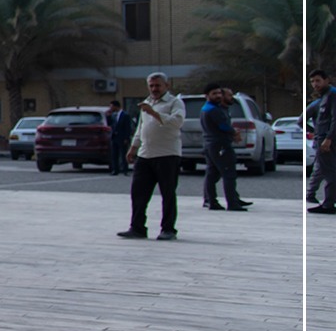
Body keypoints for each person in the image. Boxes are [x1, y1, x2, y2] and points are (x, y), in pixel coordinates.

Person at [117, 71, 185, 241]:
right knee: (138, 193)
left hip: (167, 154)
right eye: (151, 86)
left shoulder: (175, 102)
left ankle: (168, 229)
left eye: (158, 85)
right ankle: (137, 227)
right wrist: (134, 147)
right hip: (145, 154)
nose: (154, 89)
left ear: (166, 86)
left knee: (168, 194)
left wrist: (154, 113)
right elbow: (141, 128)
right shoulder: (147, 103)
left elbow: (176, 122)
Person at [199, 85, 252, 213]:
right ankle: (232, 203)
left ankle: (211, 200)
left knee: (212, 173)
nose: (218, 96)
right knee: (229, 174)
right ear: (207, 96)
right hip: (220, 145)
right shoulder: (213, 110)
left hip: (211, 144)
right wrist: (234, 132)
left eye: (219, 93)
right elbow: (223, 126)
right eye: (214, 93)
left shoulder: (208, 108)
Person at [306, 70, 334, 213]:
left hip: (327, 140)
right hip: (322, 138)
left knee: (329, 172)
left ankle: (328, 205)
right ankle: (329, 203)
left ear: (326, 80)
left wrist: (328, 139)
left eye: (318, 80)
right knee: (327, 171)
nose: (315, 84)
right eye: (312, 81)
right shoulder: (324, 97)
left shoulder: (332, 95)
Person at [106, 100, 132, 176]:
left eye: (111, 106)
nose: (110, 108)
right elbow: (110, 124)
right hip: (114, 137)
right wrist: (108, 116)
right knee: (114, 154)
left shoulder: (125, 115)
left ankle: (125, 170)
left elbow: (128, 127)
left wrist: (126, 138)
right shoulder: (113, 115)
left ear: (116, 106)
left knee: (123, 154)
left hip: (122, 137)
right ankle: (115, 170)